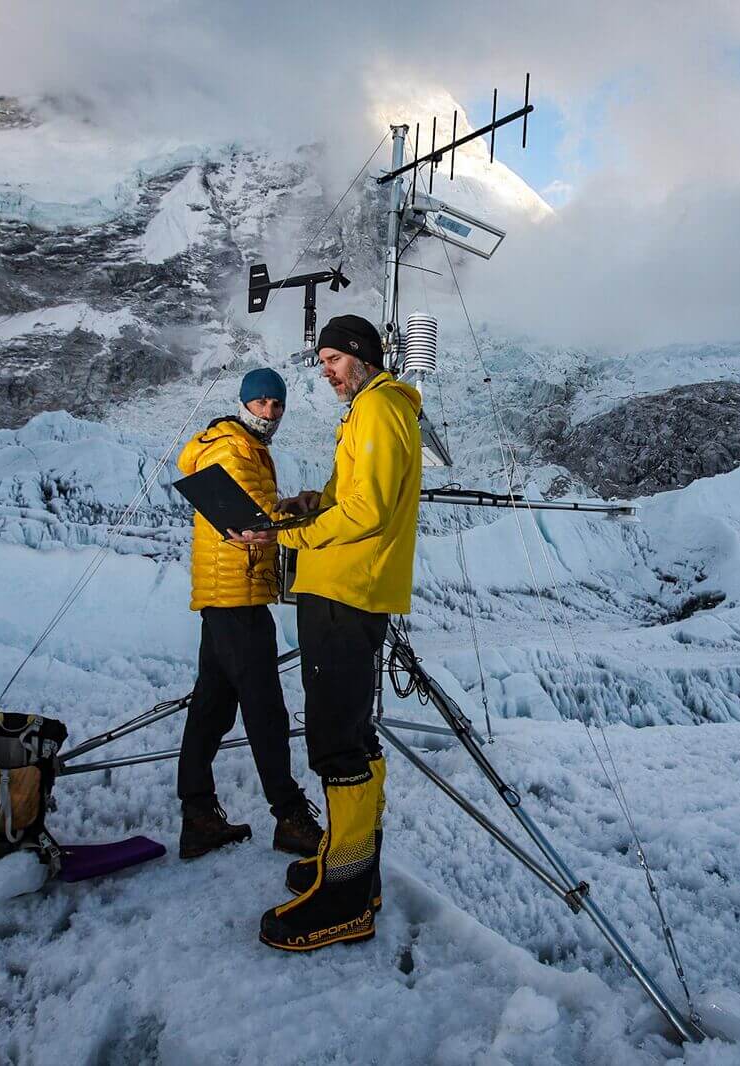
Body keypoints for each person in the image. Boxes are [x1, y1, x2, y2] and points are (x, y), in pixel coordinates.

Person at [228, 314, 422, 951]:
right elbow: (354, 497)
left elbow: (368, 511)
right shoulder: (373, 411)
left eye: (333, 359)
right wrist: (309, 503)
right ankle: (350, 866)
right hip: (347, 591)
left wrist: (292, 534)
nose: (327, 372)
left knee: (337, 745)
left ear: (361, 356)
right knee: (352, 738)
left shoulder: (377, 409)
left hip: (344, 592)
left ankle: (345, 901)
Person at [174, 367, 323, 861]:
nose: (270, 413)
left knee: (212, 707)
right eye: (261, 403)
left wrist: (290, 504)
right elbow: (251, 522)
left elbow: (257, 510)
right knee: (265, 710)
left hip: (230, 594)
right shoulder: (232, 449)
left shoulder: (245, 447)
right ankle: (289, 816)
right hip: (235, 594)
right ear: (244, 403)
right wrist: (308, 513)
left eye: (277, 405)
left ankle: (198, 817)